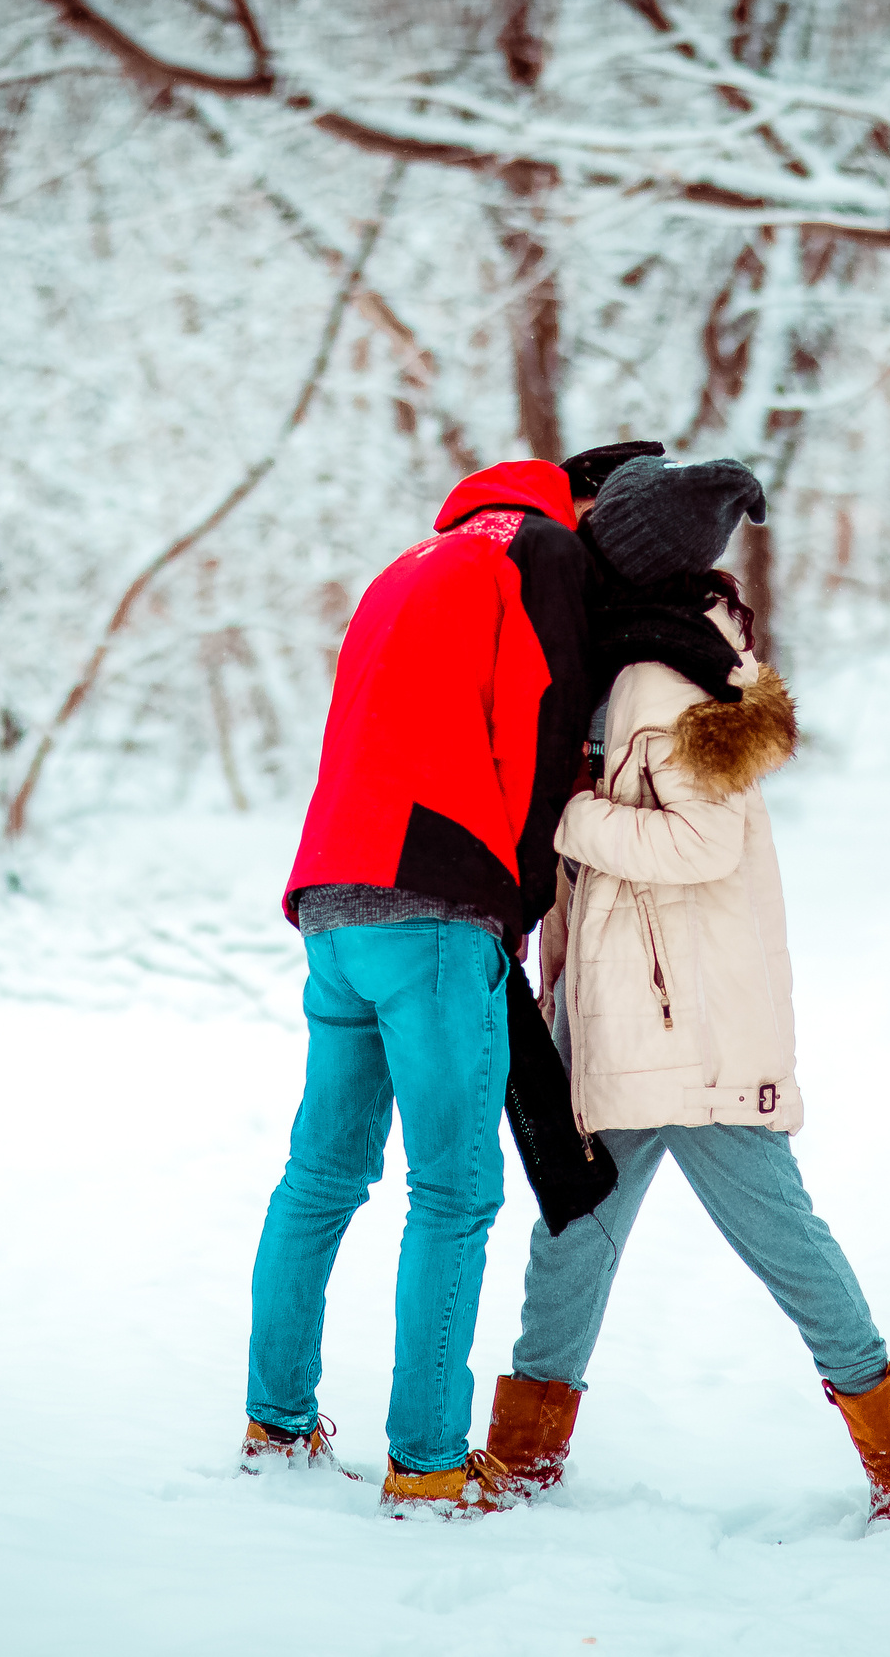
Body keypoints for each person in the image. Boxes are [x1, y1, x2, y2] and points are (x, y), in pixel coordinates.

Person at [478, 455, 890, 1521]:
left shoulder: (660, 680)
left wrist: (560, 812)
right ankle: (524, 1459)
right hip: (638, 1020)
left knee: (780, 1241)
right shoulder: (662, 658)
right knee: (571, 1238)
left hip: (684, 1031)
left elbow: (700, 841)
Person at [242, 444, 659, 1518]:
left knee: (322, 1175)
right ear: (578, 505)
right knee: (455, 1189)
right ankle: (427, 1458)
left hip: (333, 891)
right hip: (433, 899)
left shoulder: (411, 562)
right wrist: (522, 895)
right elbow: (545, 714)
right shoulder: (539, 551)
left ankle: (276, 1420)